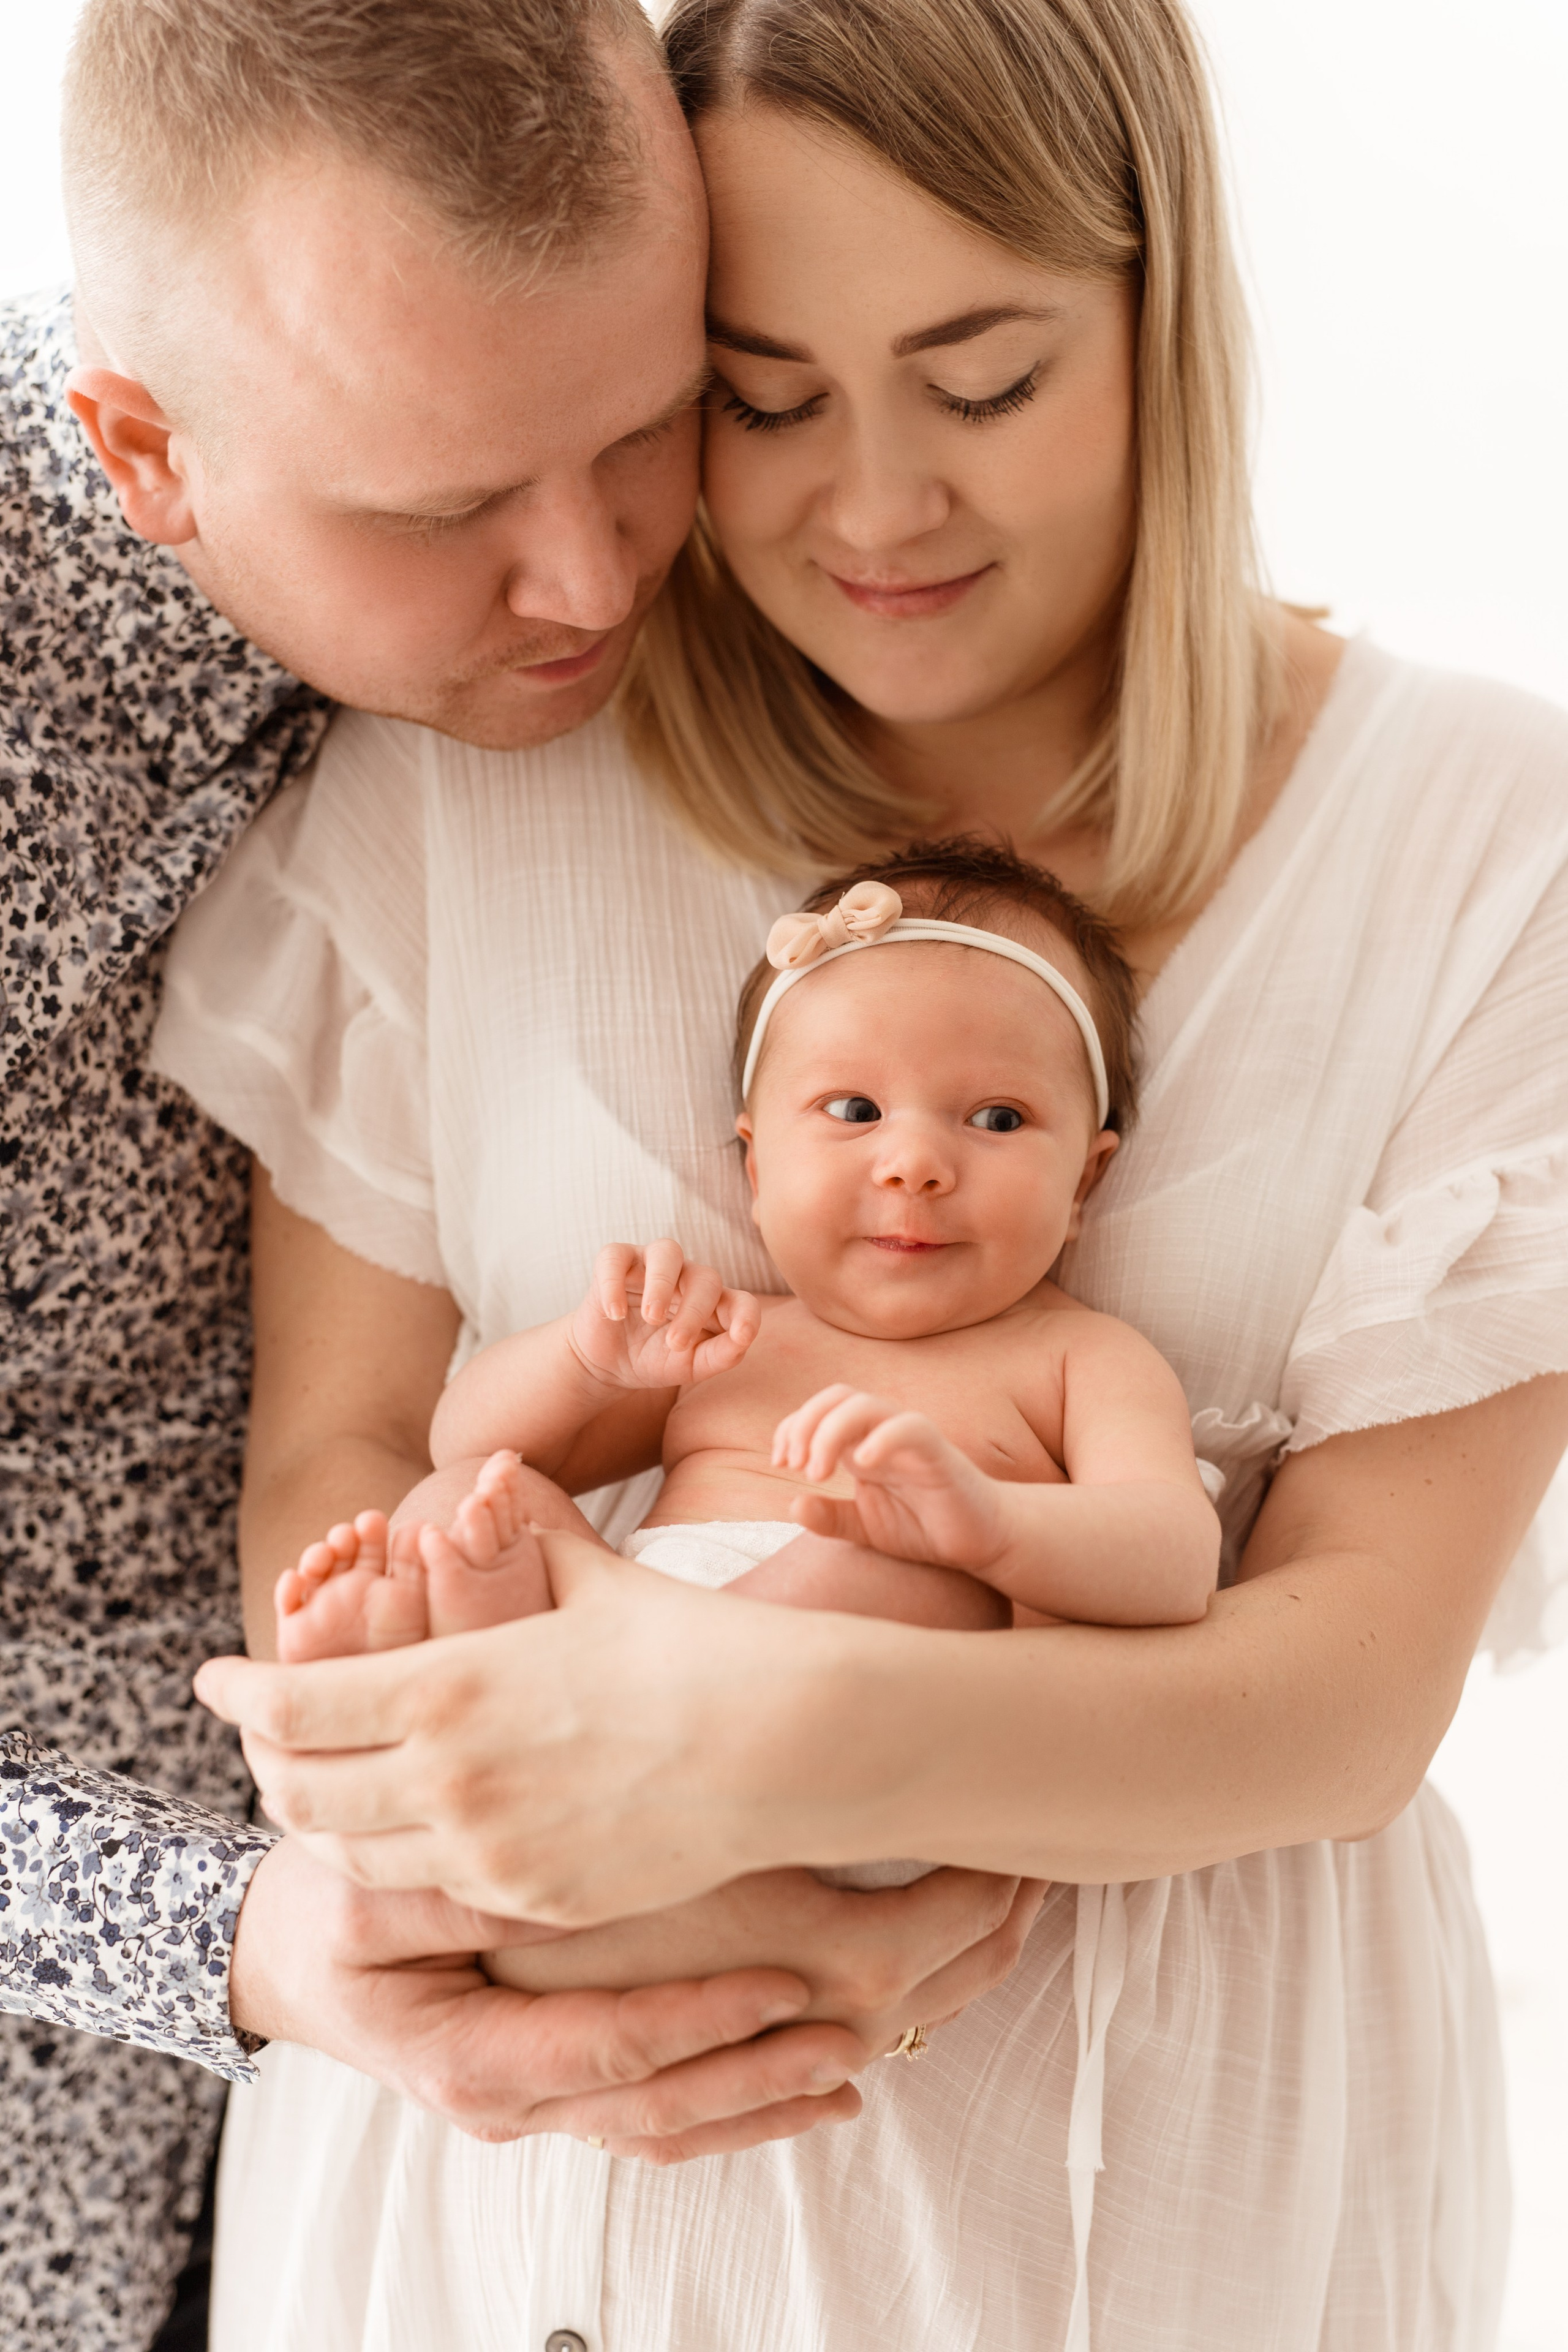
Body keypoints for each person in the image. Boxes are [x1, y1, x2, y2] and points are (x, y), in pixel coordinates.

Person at [173, 0, 1568, 2343]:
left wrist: (762, 1729)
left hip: (1164, 2207)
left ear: (1166, 309)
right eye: (763, 394)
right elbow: (330, 1464)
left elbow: (1350, 1685)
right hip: (508, 2212)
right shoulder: (467, 789)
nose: (876, 506)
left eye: (987, 377)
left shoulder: (1481, 848)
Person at [0, 4, 1032, 2346]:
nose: (587, 577)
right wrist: (249, 1941)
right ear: (145, 454)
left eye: (646, 421)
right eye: (446, 509)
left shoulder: (756, 589)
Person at [274, 845, 1221, 1682]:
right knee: (474, 1498)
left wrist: (989, 1527)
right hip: (623, 1650)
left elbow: (1176, 1557)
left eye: (997, 1119)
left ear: (1085, 1184)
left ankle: (522, 1684)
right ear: (757, 1166)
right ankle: (434, 1671)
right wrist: (587, 1363)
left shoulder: (1079, 1358)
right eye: (854, 1111)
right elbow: (466, 1442)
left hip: (849, 1734)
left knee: (913, 1585)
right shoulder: (731, 1337)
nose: (915, 1164)